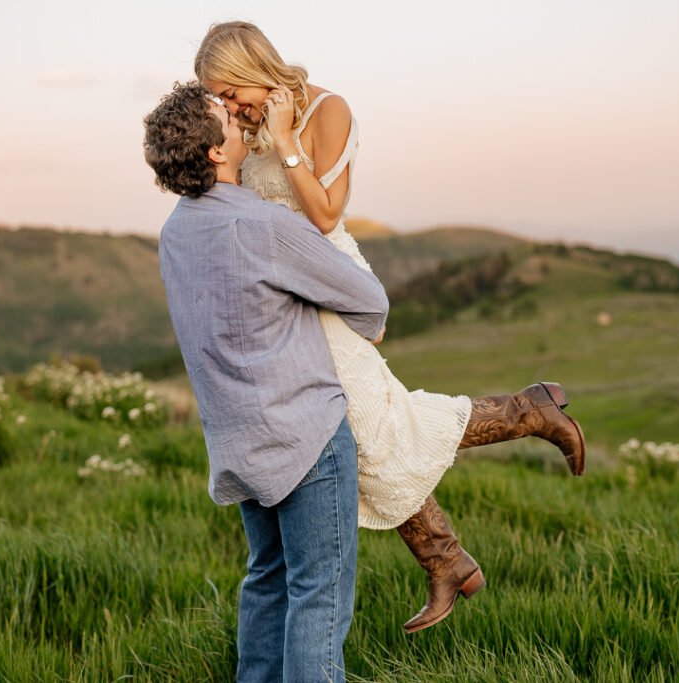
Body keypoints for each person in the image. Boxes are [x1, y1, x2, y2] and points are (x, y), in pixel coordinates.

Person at [193, 21, 587, 635]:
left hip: (328, 279)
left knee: (357, 424)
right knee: (362, 423)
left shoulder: (327, 110)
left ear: (251, 69)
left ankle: (524, 423)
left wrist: (283, 141)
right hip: (282, 292)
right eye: (217, 99)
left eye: (227, 92)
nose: (227, 108)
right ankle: (450, 551)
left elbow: (324, 216)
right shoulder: (240, 130)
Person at [144, 81, 389, 682]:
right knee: (317, 602)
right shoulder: (262, 225)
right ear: (214, 153)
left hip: (235, 443)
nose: (234, 118)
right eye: (222, 117)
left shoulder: (174, 232)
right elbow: (371, 305)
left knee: (267, 581)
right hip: (304, 437)